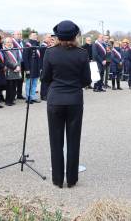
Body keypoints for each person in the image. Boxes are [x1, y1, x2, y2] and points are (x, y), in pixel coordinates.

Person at [41, 20, 91, 189]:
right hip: (75, 100)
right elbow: (87, 80)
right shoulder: (82, 53)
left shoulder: (50, 53)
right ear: (74, 35)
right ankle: (71, 179)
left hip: (55, 100)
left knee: (55, 140)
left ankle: (57, 179)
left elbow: (45, 78)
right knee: (73, 140)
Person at [23, 32, 42, 103]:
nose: (35, 36)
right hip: (30, 67)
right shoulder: (28, 45)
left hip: (36, 67)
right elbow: (25, 57)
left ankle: (33, 96)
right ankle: (28, 98)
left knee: (34, 83)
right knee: (29, 83)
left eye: (36, 35)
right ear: (29, 36)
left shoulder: (37, 44)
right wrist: (27, 69)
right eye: (33, 35)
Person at [3, 37, 22, 106]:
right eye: (7, 42)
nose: (9, 43)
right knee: (9, 86)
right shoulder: (4, 50)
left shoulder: (15, 49)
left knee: (14, 86)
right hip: (9, 70)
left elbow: (19, 59)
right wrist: (14, 66)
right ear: (5, 43)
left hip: (16, 70)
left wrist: (18, 66)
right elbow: (6, 61)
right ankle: (8, 101)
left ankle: (12, 99)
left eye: (10, 42)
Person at [12, 30, 26, 100]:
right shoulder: (11, 42)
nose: (19, 35)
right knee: (14, 80)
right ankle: (13, 95)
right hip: (15, 63)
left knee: (21, 79)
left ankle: (19, 94)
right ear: (13, 35)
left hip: (22, 63)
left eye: (20, 34)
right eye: (18, 34)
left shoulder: (23, 42)